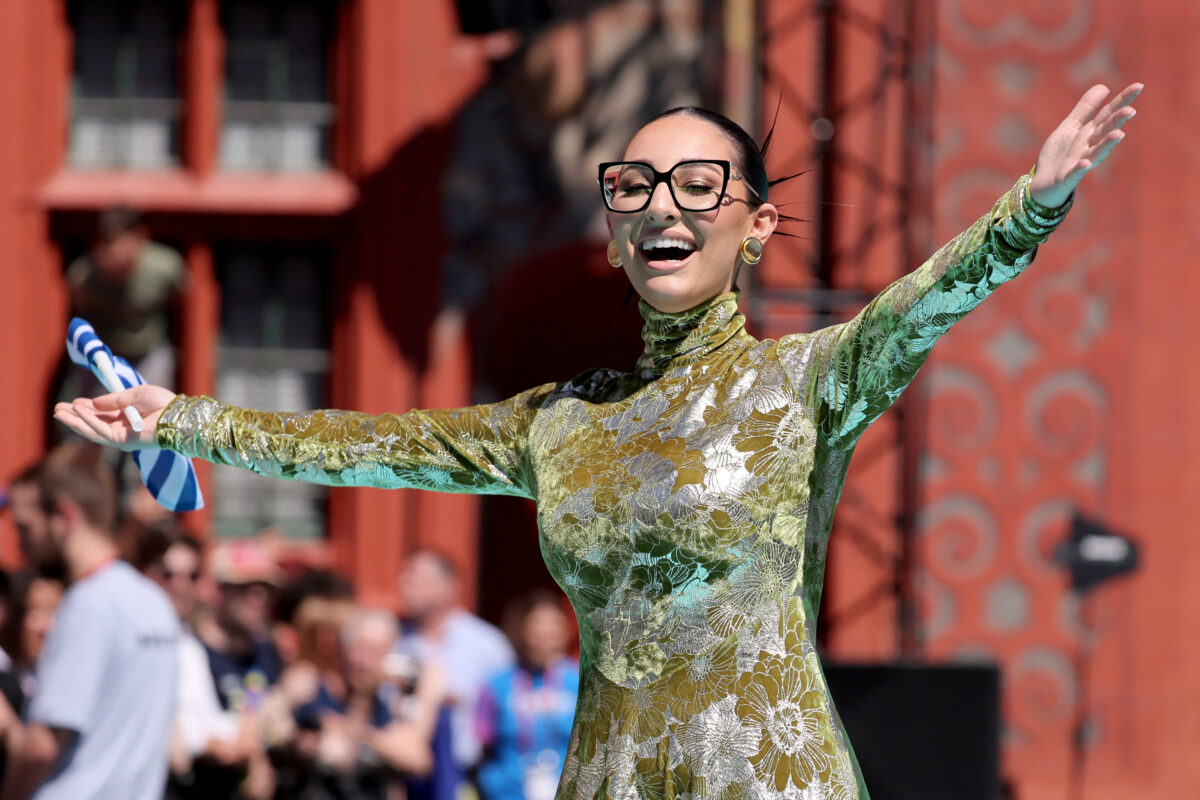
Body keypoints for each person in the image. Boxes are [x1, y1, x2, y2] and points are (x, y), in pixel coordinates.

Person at [55, 81, 1142, 799]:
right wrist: (178, 417)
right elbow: (367, 442)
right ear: (616, 232)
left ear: (756, 225)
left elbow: (925, 303)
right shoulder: (558, 420)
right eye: (635, 187)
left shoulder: (806, 382)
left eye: (699, 185)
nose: (665, 206)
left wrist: (1033, 203)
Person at [0, 445, 179, 800]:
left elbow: (42, 747)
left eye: (26, 527)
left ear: (65, 517)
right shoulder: (155, 601)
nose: (21, 544)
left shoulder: (88, 603)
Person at [396, 549, 515, 778]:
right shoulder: (395, 640)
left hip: (468, 773)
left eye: (415, 579)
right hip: (404, 772)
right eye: (404, 578)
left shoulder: (487, 644)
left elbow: (509, 707)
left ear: (447, 587)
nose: (404, 586)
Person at [476, 591, 580, 800]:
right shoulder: (498, 685)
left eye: (551, 631)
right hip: (507, 791)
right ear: (523, 631)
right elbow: (483, 744)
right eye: (536, 630)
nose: (543, 640)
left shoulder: (580, 683)